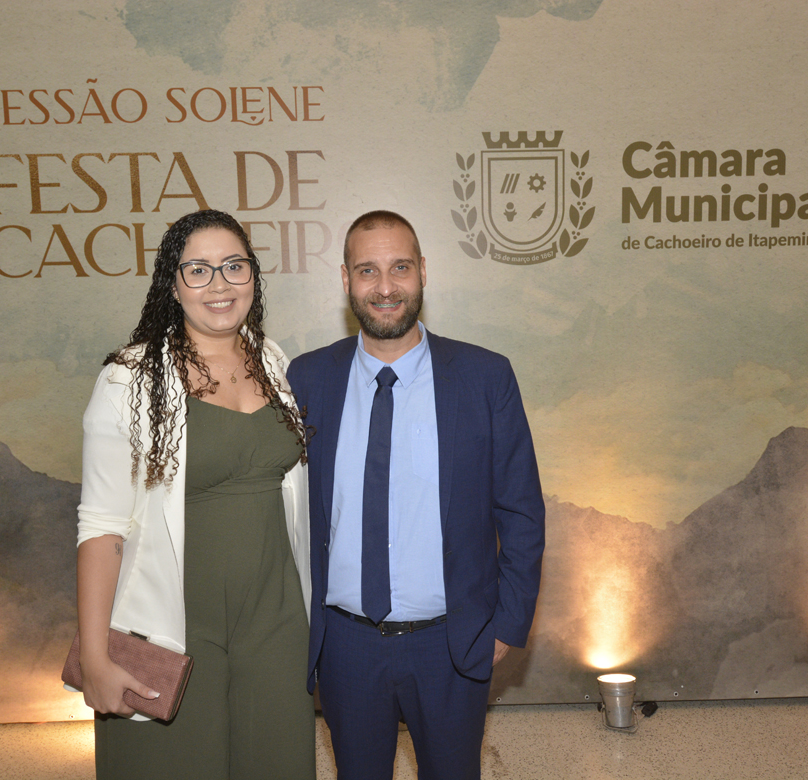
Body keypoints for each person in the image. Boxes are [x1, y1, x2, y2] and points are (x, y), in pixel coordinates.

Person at [287, 210, 545, 779]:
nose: (385, 287)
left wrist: (506, 625)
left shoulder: (485, 377)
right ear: (346, 279)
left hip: (451, 646)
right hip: (346, 648)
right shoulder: (306, 380)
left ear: (423, 271)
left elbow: (522, 511)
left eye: (399, 268)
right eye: (367, 270)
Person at [75, 209, 315, 780]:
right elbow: (101, 528)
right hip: (176, 621)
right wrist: (94, 655)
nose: (219, 284)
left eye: (234, 266)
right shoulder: (129, 380)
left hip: (277, 621)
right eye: (198, 270)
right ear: (173, 284)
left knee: (275, 762)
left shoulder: (273, 361)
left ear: (253, 275)